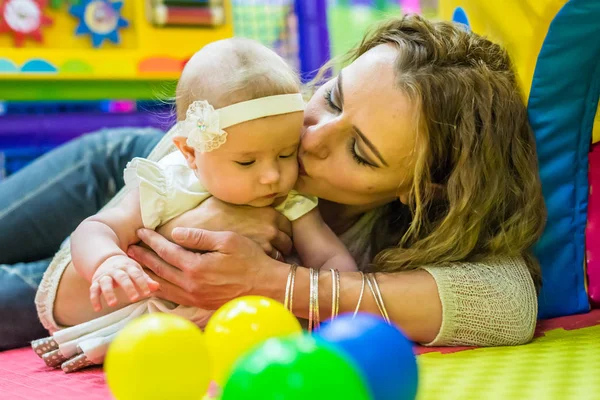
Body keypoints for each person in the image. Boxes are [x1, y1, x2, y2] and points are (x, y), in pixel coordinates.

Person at [0, 15, 545, 353]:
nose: (308, 138)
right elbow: (70, 290)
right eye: (332, 96)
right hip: (120, 172)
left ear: (420, 191)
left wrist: (270, 280)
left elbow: (511, 304)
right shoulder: (226, 129)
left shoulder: (387, 243)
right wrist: (179, 240)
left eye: (358, 150)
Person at [72, 38, 355, 313]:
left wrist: (345, 302)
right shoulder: (168, 186)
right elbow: (97, 229)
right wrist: (108, 261)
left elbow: (329, 256)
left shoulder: (292, 200)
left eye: (286, 154)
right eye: (246, 162)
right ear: (191, 154)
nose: (271, 175)